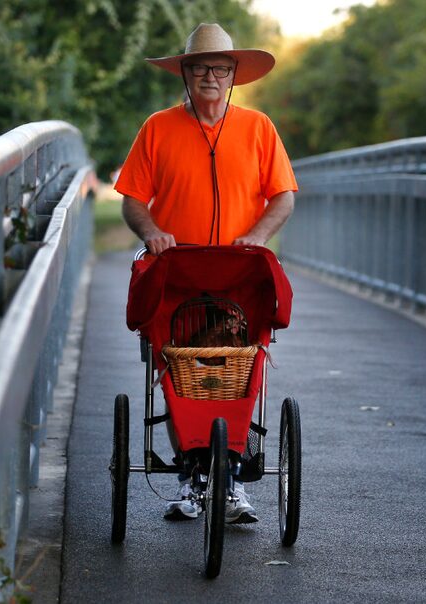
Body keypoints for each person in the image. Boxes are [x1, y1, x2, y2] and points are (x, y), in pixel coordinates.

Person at [114, 23, 298, 523]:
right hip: (177, 270)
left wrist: (258, 236)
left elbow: (283, 196)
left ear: (234, 75)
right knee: (174, 365)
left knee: (239, 364)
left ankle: (231, 477)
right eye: (199, 68)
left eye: (219, 68)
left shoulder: (259, 128)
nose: (209, 76)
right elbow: (132, 198)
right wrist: (151, 230)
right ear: (185, 74)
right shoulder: (158, 127)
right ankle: (194, 477)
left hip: (239, 274)